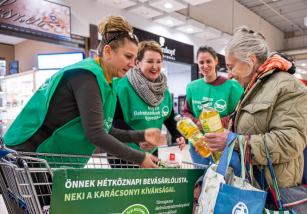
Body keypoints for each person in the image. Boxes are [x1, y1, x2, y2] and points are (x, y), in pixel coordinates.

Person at [3, 15, 162, 169]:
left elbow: (106, 129)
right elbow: (96, 134)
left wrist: (141, 135)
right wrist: (139, 157)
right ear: (107, 51)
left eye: (134, 59)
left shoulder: (109, 83)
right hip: (28, 154)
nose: (132, 65)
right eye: (128, 56)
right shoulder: (87, 76)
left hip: (46, 158)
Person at [204, 26, 307, 193]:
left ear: (250, 60)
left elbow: (289, 142)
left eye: (231, 66)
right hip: (253, 189)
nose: (229, 75)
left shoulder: (290, 88)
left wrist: (235, 142)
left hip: (277, 193)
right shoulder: (254, 89)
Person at [109, 40, 185, 168]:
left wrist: (177, 135)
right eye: (150, 61)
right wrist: (139, 140)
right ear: (138, 63)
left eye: (158, 61)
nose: (155, 66)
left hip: (150, 150)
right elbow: (115, 121)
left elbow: (168, 117)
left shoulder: (163, 89)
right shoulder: (122, 86)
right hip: (124, 152)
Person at [183, 45, 243, 165]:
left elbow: (237, 114)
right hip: (197, 145)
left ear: (216, 61)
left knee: (221, 179)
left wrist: (211, 124)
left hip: (221, 144)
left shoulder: (232, 86)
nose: (205, 66)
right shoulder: (192, 87)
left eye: (208, 61)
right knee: (200, 179)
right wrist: (197, 123)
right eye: (201, 62)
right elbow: (186, 112)